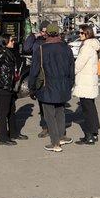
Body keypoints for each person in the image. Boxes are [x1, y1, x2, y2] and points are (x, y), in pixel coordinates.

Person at [29, 24, 75, 152]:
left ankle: (55, 143)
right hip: (63, 85)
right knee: (60, 111)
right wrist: (70, 83)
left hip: (46, 86)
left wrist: (31, 87)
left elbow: (34, 70)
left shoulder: (41, 49)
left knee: (49, 115)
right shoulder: (66, 48)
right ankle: (61, 136)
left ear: (47, 34)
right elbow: (72, 68)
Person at [0, 34, 28, 146]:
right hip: (3, 87)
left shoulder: (8, 51)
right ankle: (2, 137)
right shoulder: (1, 52)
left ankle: (13, 133)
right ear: (5, 42)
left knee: (11, 110)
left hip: (9, 86)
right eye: (11, 40)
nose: (13, 42)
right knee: (3, 112)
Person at [73, 25, 100, 145]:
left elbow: (78, 65)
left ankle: (89, 136)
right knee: (91, 109)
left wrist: (70, 73)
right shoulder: (93, 45)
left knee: (87, 110)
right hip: (90, 81)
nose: (79, 35)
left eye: (81, 33)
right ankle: (94, 133)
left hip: (85, 82)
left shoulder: (87, 47)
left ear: (87, 33)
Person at [23, 20, 50, 137]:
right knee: (42, 104)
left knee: (53, 105)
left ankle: (54, 127)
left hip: (51, 76)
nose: (44, 34)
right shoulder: (37, 42)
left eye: (46, 31)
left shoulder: (53, 41)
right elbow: (26, 48)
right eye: (42, 31)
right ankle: (45, 127)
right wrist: (33, 36)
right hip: (40, 76)